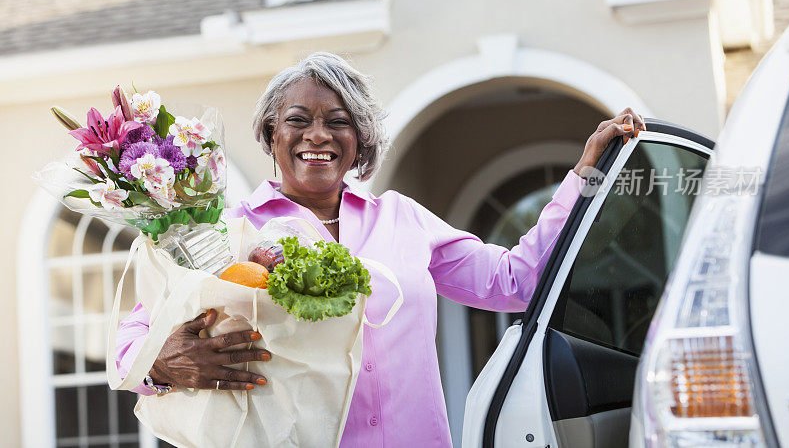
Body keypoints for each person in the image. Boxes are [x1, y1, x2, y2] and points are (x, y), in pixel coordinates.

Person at [115, 52, 646, 446]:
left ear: (360, 139)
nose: (317, 135)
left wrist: (582, 177)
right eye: (298, 119)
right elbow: (132, 338)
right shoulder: (224, 231)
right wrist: (162, 365)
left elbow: (515, 282)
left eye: (338, 121)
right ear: (271, 133)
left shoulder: (403, 219)